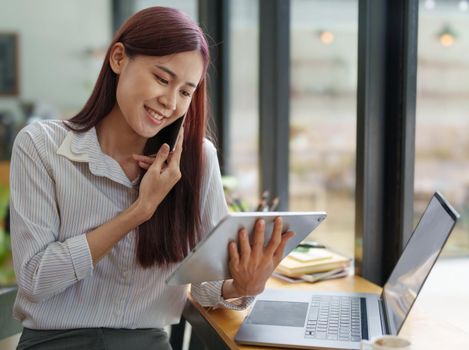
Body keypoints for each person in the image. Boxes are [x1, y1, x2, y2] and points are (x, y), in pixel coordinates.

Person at [9, 7, 294, 350]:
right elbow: (34, 279)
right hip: (54, 342)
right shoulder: (42, 146)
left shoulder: (197, 159)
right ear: (118, 58)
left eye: (186, 92)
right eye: (162, 79)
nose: (170, 102)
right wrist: (139, 211)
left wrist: (244, 286)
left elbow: (203, 285)